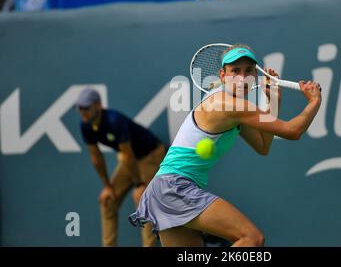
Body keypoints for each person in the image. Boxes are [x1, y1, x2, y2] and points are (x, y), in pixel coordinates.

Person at [129, 44, 322, 247]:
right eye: (235, 71)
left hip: (163, 189)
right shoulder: (228, 105)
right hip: (174, 187)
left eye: (248, 71)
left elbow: (263, 146)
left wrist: (273, 102)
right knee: (251, 239)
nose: (242, 77)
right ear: (223, 75)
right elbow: (292, 131)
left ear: (255, 76)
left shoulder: (233, 107)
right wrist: (314, 102)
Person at [76, 88, 166, 247]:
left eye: (86, 107)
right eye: (80, 108)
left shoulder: (114, 120)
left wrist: (139, 185)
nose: (83, 112)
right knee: (108, 200)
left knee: (142, 200)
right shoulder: (85, 126)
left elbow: (128, 155)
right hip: (129, 160)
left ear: (98, 105)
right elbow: (96, 157)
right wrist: (108, 186)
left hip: (151, 156)